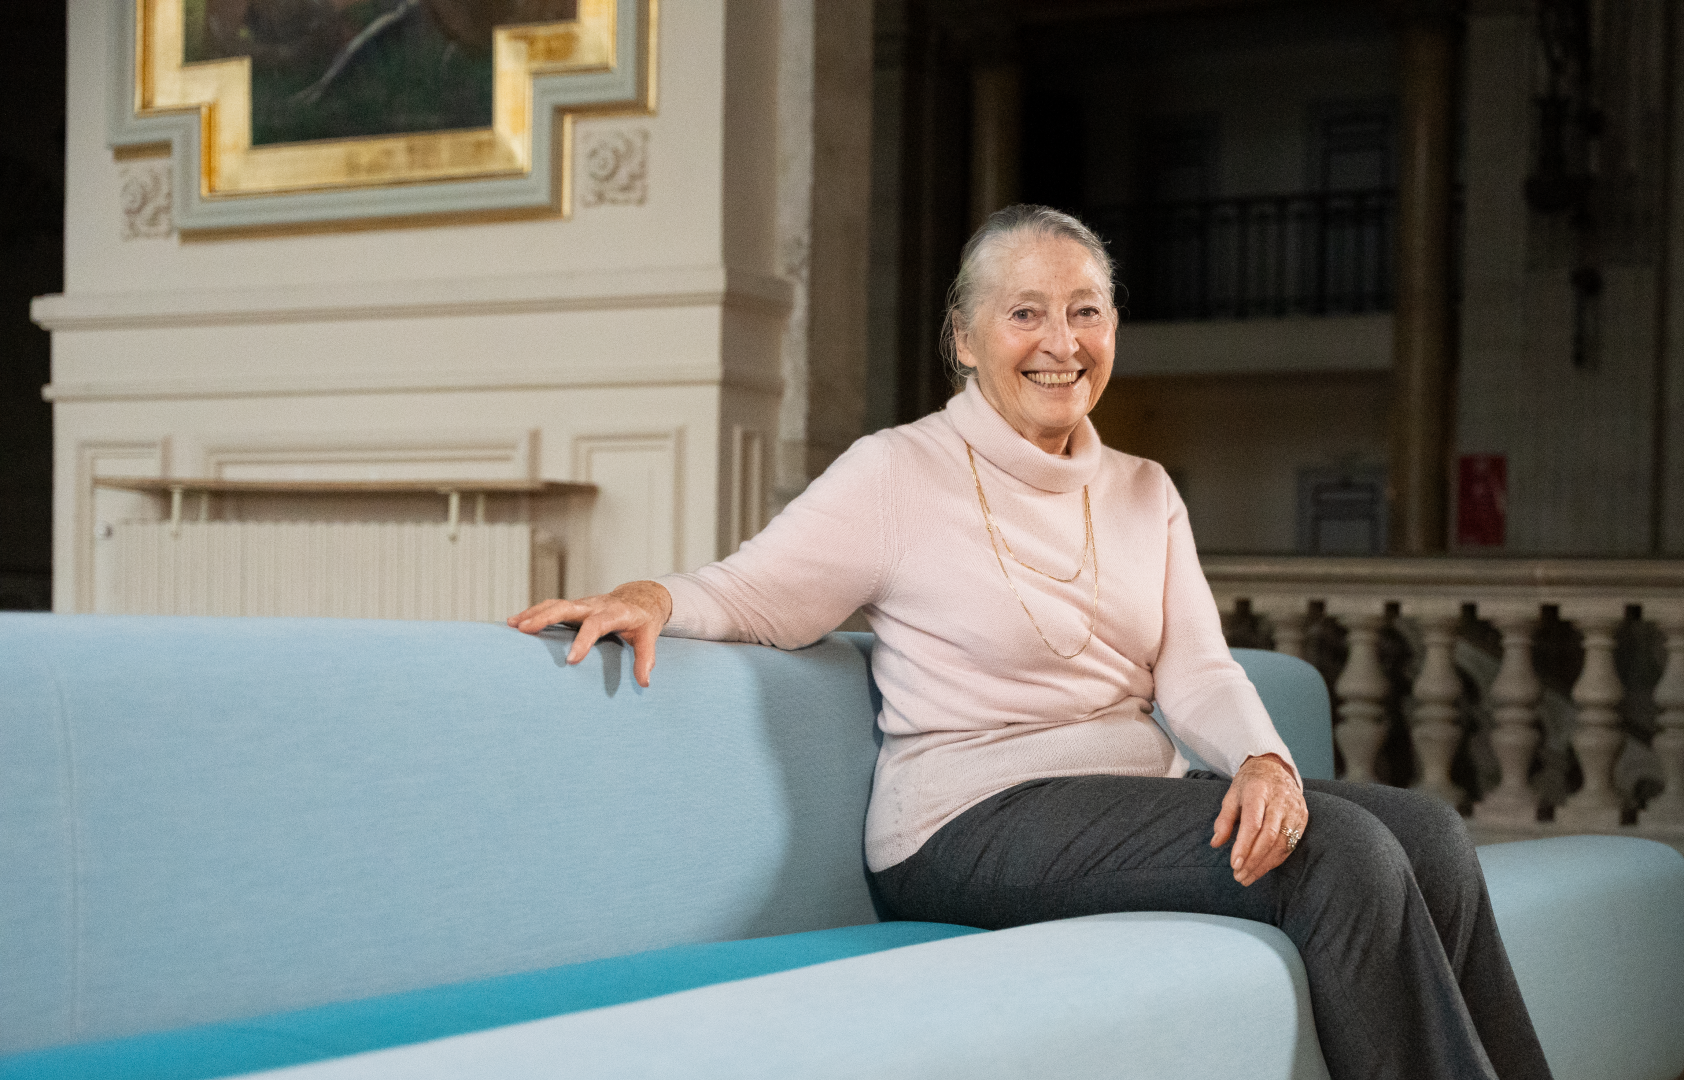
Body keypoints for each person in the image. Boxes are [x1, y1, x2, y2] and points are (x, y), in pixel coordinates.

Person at [510, 204, 1553, 1080]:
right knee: (1340, 858)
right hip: (965, 820)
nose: (1061, 341)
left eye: (1085, 311)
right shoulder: (896, 472)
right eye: (1025, 313)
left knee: (1426, 832)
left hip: (1123, 797)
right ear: (963, 338)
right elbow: (760, 594)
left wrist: (1263, 757)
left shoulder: (1143, 488)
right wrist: (652, 595)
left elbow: (1194, 664)